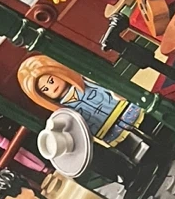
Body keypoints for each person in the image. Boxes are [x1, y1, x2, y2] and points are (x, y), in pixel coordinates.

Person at [17, 53, 145, 149]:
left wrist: (116, 92)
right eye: (45, 89)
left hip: (122, 108)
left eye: (51, 80)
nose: (52, 87)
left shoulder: (84, 81)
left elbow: (104, 85)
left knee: (145, 124)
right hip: (105, 129)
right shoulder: (64, 110)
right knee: (131, 145)